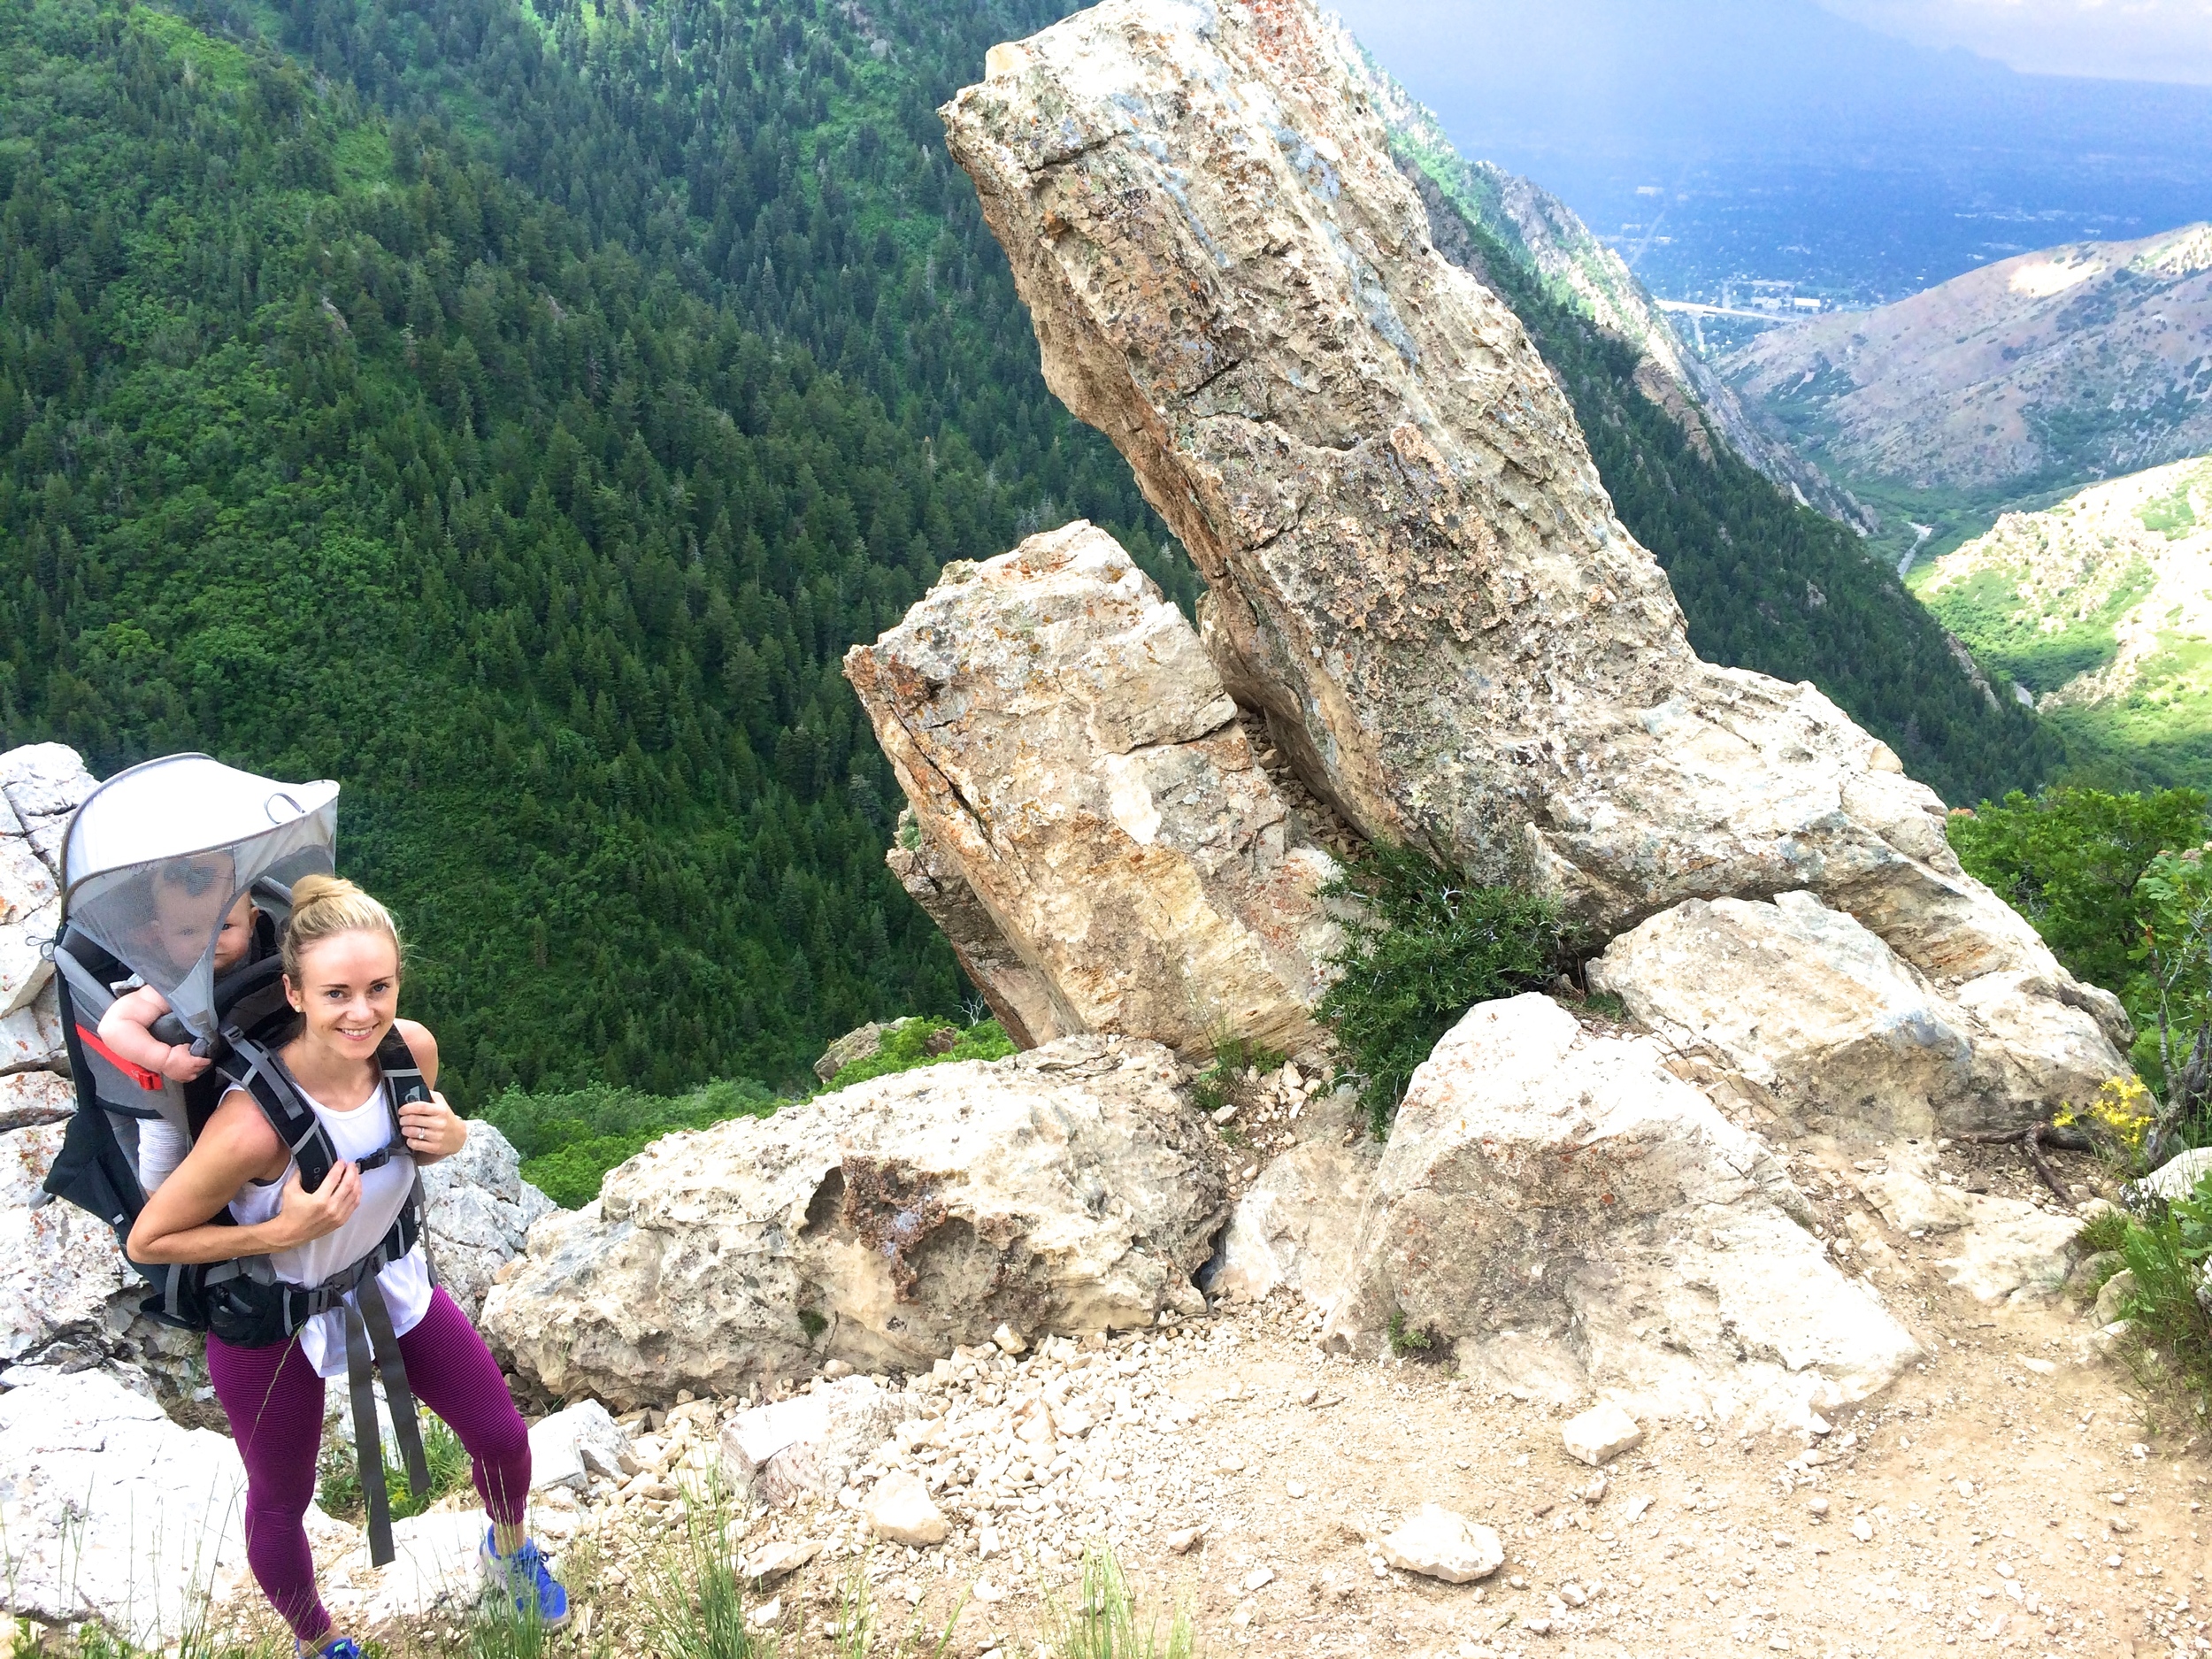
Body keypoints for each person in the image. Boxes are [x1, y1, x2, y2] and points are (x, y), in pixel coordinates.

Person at [128, 876, 568, 1658]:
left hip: (384, 1281)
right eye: (337, 992)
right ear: (294, 991)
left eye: (379, 987)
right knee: (282, 1498)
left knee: (501, 1434)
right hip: (273, 1316)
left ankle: (508, 1551)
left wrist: (456, 1135)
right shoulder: (251, 1126)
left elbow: (422, 1129)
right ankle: (316, 1638)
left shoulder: (412, 1053)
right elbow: (150, 1242)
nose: (363, 1012)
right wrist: (281, 1230)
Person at [97, 886, 261, 1191]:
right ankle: (157, 1203)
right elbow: (114, 1025)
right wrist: (163, 1058)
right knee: (166, 1151)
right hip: (169, 1093)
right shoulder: (169, 980)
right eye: (187, 932)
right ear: (161, 937)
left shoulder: (261, 954)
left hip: (233, 1071)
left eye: (224, 926)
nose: (208, 941)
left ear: (252, 923)